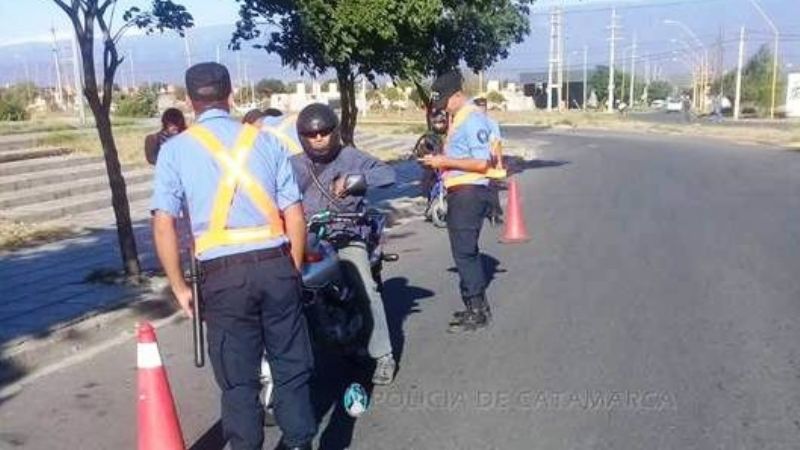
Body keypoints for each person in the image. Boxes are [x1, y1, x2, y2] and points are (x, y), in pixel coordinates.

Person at [151, 62, 316, 450]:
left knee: (238, 380)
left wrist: (178, 287)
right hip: (275, 264)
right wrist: (290, 266)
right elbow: (294, 213)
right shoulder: (267, 141)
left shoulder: (174, 151)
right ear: (231, 96)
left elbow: (163, 225)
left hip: (222, 277)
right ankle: (299, 443)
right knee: (291, 368)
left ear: (190, 102)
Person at [289, 103, 398, 385]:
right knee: (282, 287)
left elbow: (388, 175)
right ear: (301, 136)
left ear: (334, 131)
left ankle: (383, 355)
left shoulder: (350, 157)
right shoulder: (293, 165)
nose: (319, 138)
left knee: (365, 286)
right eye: (311, 134)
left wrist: (355, 180)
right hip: (307, 235)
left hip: (346, 232)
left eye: (324, 132)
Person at [420, 70, 501, 333]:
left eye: (444, 102)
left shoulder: (472, 120)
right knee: (463, 251)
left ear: (456, 95)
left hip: (470, 192)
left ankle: (477, 310)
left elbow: (481, 162)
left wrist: (444, 161)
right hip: (460, 191)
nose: (442, 108)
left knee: (464, 253)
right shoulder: (460, 118)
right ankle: (475, 305)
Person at [473, 97, 505, 226]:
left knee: (490, 187)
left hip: (487, 159)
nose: (481, 109)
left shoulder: (490, 123)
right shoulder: (471, 123)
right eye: (479, 107)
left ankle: (493, 213)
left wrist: (499, 161)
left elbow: (497, 143)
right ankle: (489, 212)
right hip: (474, 160)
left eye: (482, 107)